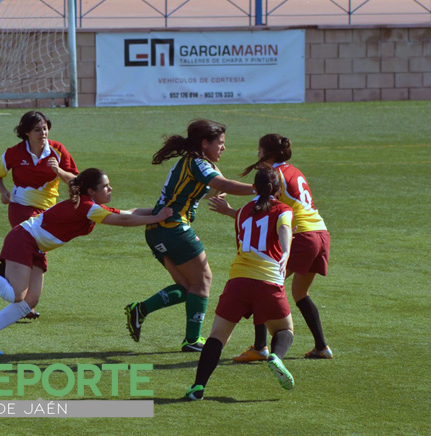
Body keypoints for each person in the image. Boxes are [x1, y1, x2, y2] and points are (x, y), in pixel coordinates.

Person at [0, 168, 172, 355]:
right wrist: (155, 218)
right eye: (106, 186)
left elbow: (129, 211)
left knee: (29, 301)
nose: (110, 189)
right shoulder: (87, 207)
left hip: (36, 246)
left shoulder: (91, 206)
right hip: (23, 239)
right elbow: (123, 220)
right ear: (92, 190)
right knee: (16, 295)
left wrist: (160, 209)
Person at [124, 119, 254, 352]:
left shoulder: (191, 162)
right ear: (205, 143)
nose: (223, 148)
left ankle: (140, 309)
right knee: (203, 281)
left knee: (189, 287)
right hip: (174, 228)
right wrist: (259, 188)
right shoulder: (198, 163)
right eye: (220, 143)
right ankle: (192, 340)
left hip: (157, 231)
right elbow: (221, 184)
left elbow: (215, 187)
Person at [210, 133, 332, 361]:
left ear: (265, 152)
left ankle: (260, 347)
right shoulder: (293, 170)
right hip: (320, 233)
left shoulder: (273, 177)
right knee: (299, 293)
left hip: (301, 235)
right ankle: (321, 347)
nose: (256, 154)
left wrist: (225, 202)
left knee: (261, 283)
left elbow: (258, 214)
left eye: (258, 150)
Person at [185, 163, 295, 401]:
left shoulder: (244, 211)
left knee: (216, 338)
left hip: (238, 282)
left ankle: (198, 387)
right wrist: (285, 253)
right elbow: (284, 228)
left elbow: (253, 227)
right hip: (268, 281)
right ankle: (275, 356)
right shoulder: (284, 209)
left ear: (254, 187)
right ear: (278, 189)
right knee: (285, 330)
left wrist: (229, 211)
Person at [0, 110, 79, 319]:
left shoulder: (58, 151)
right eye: (37, 129)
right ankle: (27, 304)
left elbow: (76, 181)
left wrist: (59, 172)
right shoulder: (15, 153)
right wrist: (3, 192)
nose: (43, 133)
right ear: (26, 132)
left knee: (18, 258)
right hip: (21, 207)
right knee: (31, 253)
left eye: (45, 128)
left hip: (47, 213)